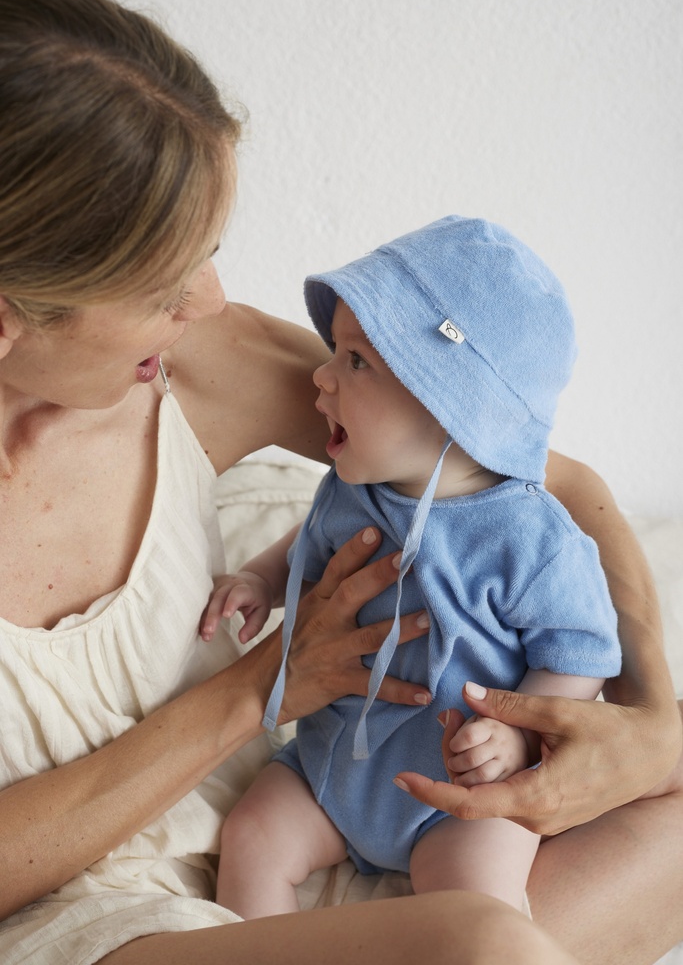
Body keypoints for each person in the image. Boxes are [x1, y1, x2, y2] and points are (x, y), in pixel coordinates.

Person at [0, 0, 680, 965]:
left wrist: (655, 726)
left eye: (210, 248)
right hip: (94, 919)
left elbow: (541, 483)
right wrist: (260, 685)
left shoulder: (186, 363)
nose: (211, 301)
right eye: (161, 283)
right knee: (487, 948)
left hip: (307, 823)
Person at [202, 216, 622, 916]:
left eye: (356, 361)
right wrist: (258, 579)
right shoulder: (352, 486)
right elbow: (305, 540)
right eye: (334, 351)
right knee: (251, 835)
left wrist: (517, 734)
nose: (321, 376)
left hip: (459, 797)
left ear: (450, 405)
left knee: (476, 910)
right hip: (329, 767)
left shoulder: (527, 537)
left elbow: (581, 652)